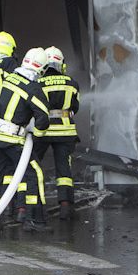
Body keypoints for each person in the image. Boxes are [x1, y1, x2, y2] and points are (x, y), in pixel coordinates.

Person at [0, 47, 48, 222]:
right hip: (12, 140)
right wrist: (37, 134)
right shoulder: (34, 89)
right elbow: (43, 118)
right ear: (42, 68)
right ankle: (34, 219)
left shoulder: (10, 78)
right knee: (35, 173)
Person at [33, 45, 83, 210]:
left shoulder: (37, 83)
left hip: (43, 131)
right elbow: (75, 108)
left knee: (33, 165)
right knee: (64, 169)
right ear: (61, 64)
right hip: (66, 133)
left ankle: (33, 204)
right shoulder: (72, 83)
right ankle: (65, 206)